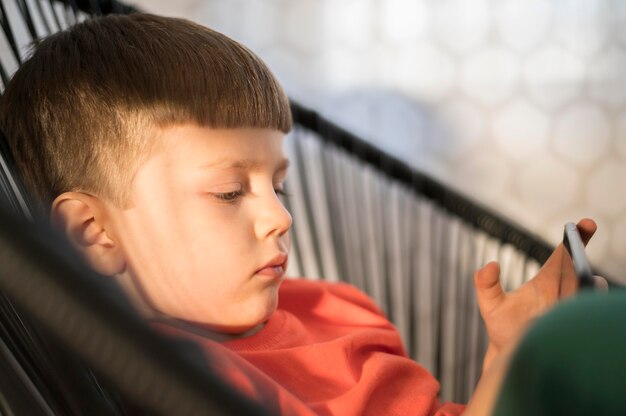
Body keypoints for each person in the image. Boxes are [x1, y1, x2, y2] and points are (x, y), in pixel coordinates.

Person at [0, 13, 597, 415]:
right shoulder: (185, 382)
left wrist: (504, 363)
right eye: (231, 192)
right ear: (94, 233)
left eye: (278, 186)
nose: (279, 218)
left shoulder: (333, 305)